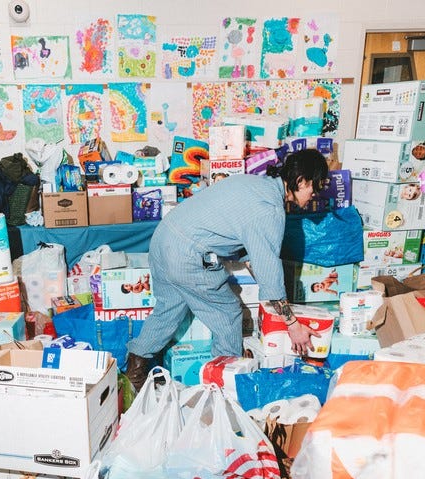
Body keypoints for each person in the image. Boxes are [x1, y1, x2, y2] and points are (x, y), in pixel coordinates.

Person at [125, 149, 330, 391]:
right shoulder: (269, 210)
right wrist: (293, 325)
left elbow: (249, 250)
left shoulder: (253, 183)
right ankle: (223, 388)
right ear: (300, 181)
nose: (315, 195)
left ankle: (133, 376)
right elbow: (270, 279)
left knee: (169, 309)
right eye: (314, 188)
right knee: (228, 314)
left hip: (163, 239)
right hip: (187, 254)